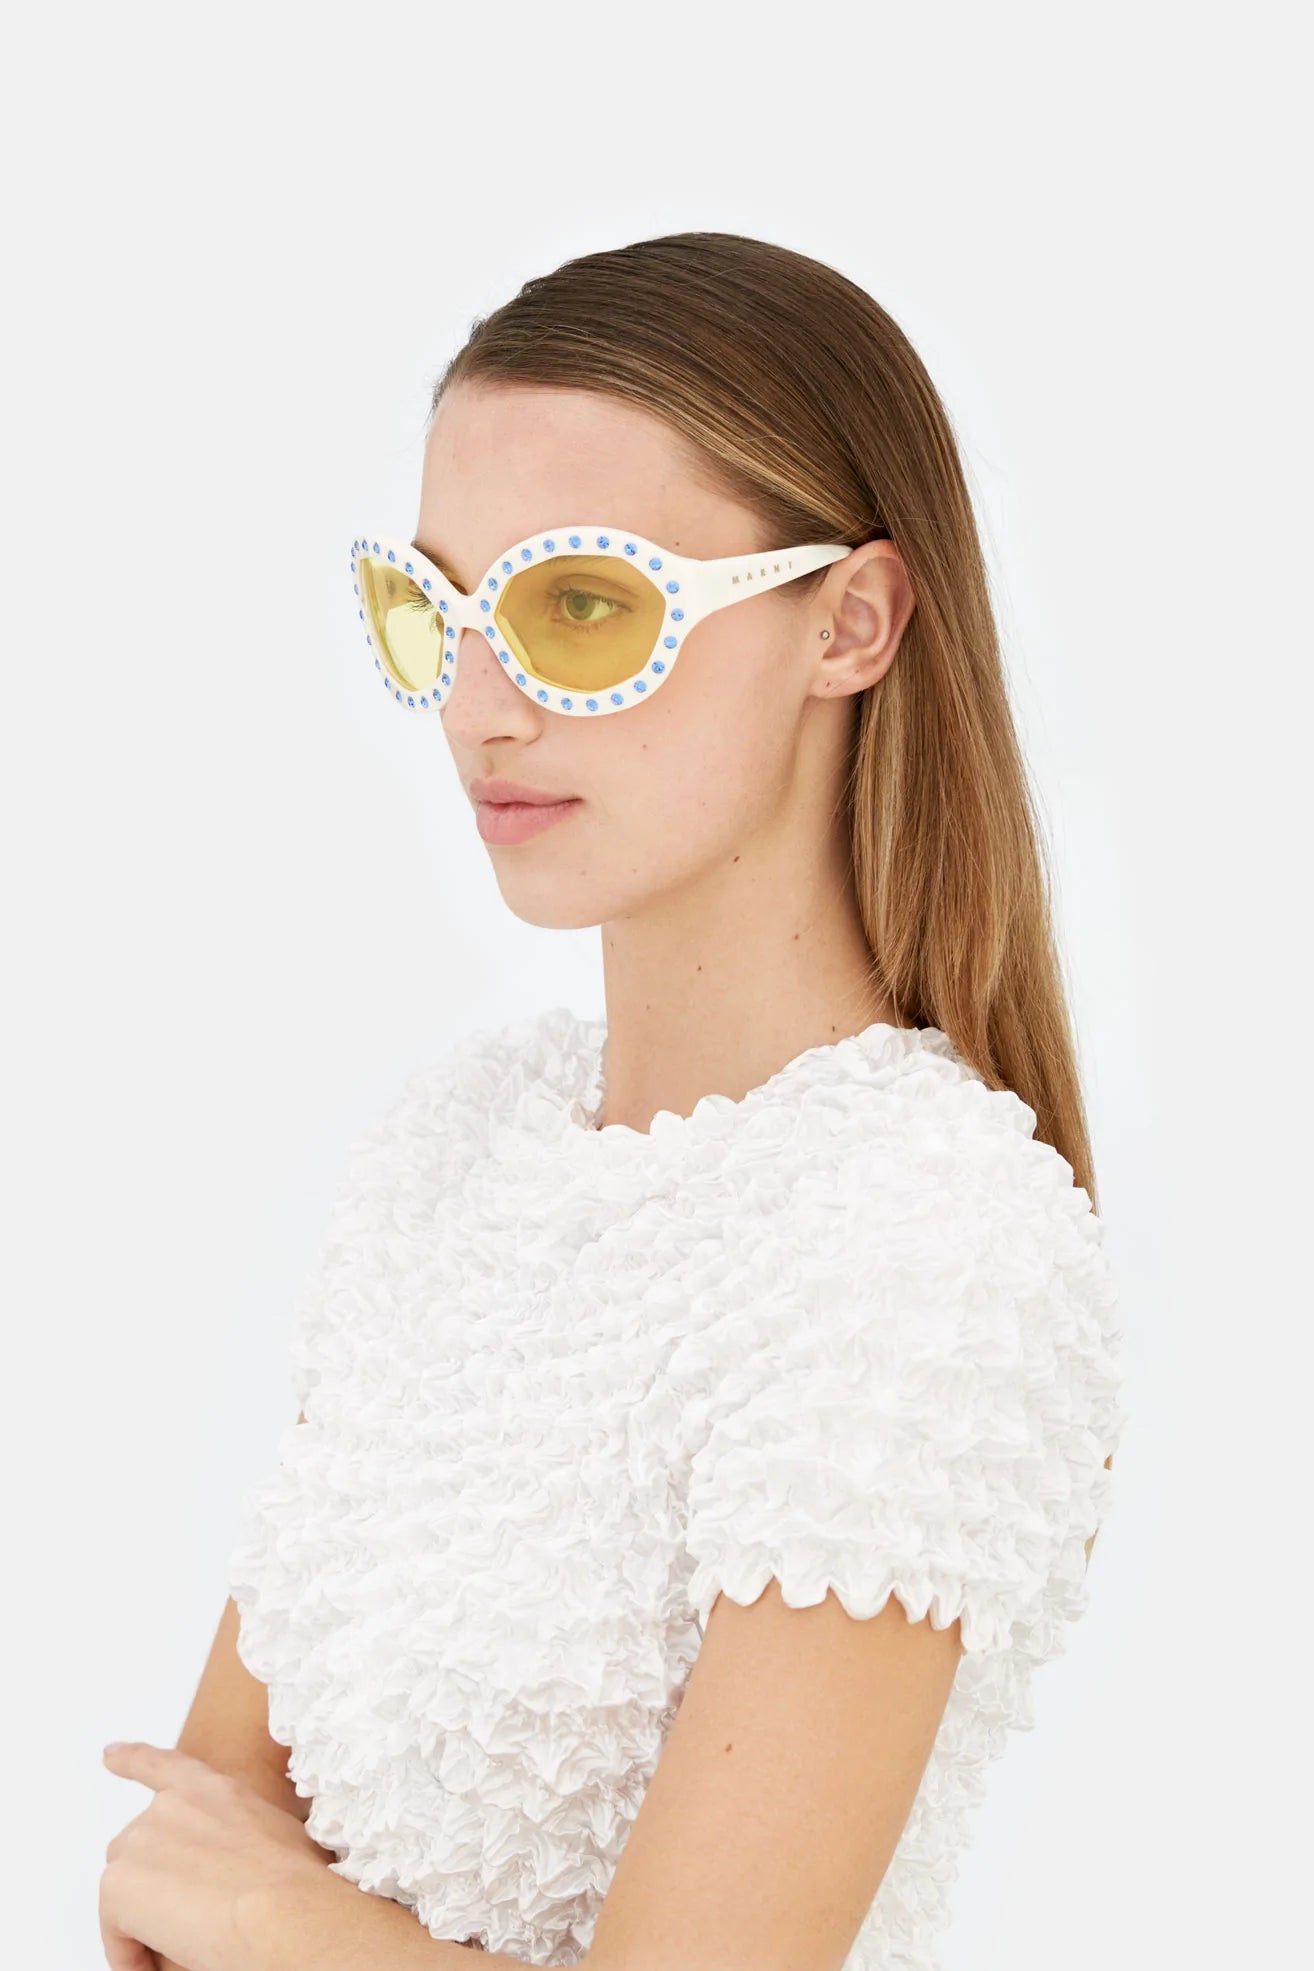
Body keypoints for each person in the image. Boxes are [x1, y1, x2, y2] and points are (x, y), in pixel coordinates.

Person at [143, 233, 1127, 1971]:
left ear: (849, 623)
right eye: (432, 609)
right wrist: (231, 1900)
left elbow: (210, 1883)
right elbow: (181, 1849)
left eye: (578, 607)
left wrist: (267, 1916)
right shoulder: (448, 1156)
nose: (478, 707)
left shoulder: (920, 1240)